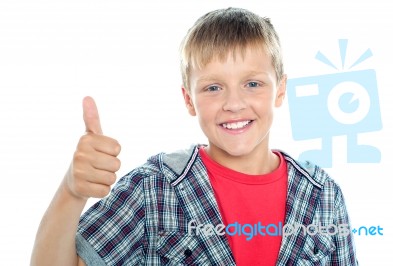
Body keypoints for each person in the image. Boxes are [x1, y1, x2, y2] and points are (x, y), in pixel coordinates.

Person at [31, 7, 358, 265]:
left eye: (253, 83)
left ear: (281, 90)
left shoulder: (324, 196)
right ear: (189, 99)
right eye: (213, 88)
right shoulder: (153, 189)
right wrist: (71, 192)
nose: (233, 104)